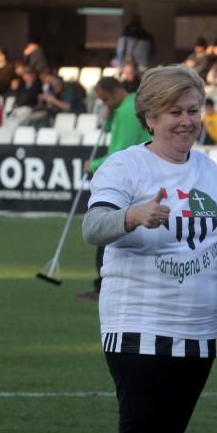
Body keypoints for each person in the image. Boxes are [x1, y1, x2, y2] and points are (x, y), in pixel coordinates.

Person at [82, 65, 217, 433]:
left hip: (198, 329)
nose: (187, 121)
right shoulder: (125, 168)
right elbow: (93, 227)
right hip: (137, 323)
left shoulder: (213, 173)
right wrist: (134, 216)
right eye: (175, 112)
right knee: (139, 432)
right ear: (149, 116)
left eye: (193, 111)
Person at [78, 77, 153, 301]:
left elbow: (120, 151)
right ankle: (103, 285)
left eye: (105, 99)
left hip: (128, 179)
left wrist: (92, 165)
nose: (104, 103)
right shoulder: (126, 107)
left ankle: (105, 285)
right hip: (138, 176)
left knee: (109, 231)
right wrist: (109, 116)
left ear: (116, 91)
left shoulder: (127, 110)